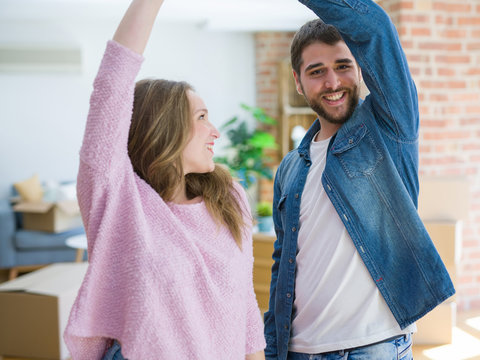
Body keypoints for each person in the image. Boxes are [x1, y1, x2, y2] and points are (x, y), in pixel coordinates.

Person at [63, 0, 266, 358]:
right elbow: (112, 86)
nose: (215, 131)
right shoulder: (120, 201)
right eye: (202, 116)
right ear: (164, 129)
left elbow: (245, 308)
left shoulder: (229, 198)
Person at [264, 0, 455, 359]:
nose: (332, 82)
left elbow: (377, 29)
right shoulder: (290, 168)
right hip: (301, 351)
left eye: (343, 66)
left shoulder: (388, 130)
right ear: (298, 82)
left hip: (373, 347)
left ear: (360, 69)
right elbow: (282, 265)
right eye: (317, 71)